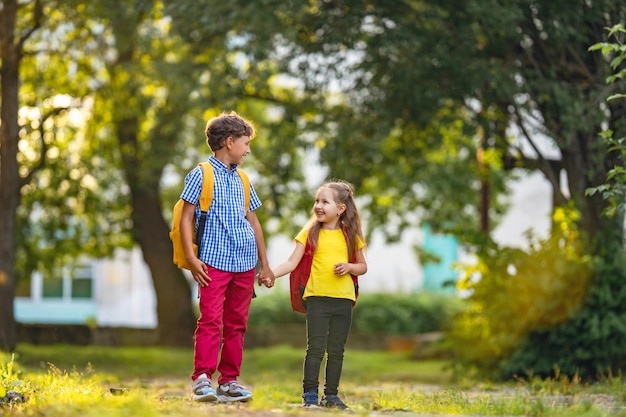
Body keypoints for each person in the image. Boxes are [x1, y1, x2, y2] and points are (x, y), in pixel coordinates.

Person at [179, 111, 274, 403]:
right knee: (210, 321)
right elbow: (185, 219)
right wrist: (192, 259)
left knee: (237, 324)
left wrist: (265, 265)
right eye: (245, 144)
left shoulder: (244, 180)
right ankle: (202, 380)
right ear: (229, 142)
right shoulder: (201, 175)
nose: (248, 150)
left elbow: (254, 223)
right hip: (213, 263)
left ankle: (229, 381)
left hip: (245, 263)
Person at [268, 180, 367, 409]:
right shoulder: (310, 232)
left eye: (325, 202)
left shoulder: (351, 236)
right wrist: (270, 273)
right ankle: (310, 395)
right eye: (317, 201)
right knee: (315, 348)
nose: (319, 206)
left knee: (336, 351)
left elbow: (362, 266)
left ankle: (331, 395)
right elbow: (292, 262)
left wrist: (349, 268)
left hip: (343, 299)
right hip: (317, 299)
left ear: (341, 208)